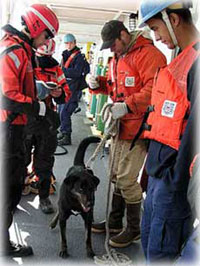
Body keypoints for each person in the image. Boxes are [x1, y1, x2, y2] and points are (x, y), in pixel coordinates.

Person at [88, 20, 166, 248]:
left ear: (123, 35)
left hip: (139, 129)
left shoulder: (149, 55)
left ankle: (133, 229)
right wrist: (97, 84)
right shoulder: (119, 57)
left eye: (113, 45)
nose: (112, 49)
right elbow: (116, 87)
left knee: (125, 178)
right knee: (114, 174)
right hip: (121, 127)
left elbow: (156, 89)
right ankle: (114, 222)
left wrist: (128, 105)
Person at [138, 0, 200, 262]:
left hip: (173, 183)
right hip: (158, 174)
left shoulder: (196, 64)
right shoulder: (180, 60)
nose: (156, 37)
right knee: (150, 243)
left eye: (155, 28)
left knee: (162, 253)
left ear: (173, 20)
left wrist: (177, 182)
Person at [0, 4, 59, 257]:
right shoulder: (14, 50)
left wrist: (37, 87)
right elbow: (7, 97)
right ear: (36, 27)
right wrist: (41, 109)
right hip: (9, 129)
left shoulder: (20, 49)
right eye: (46, 35)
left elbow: (16, 84)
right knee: (9, 189)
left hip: (14, 128)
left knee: (12, 185)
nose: (45, 42)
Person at [24, 39, 71, 214]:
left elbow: (66, 94)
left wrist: (59, 93)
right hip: (26, 117)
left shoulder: (56, 69)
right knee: (19, 158)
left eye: (47, 56)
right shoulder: (26, 63)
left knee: (44, 161)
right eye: (40, 56)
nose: (43, 59)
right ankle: (15, 191)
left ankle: (43, 197)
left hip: (47, 121)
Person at [58, 33, 90, 145]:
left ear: (75, 43)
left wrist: (62, 71)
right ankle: (62, 131)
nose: (69, 45)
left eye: (71, 43)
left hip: (73, 89)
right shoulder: (66, 55)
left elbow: (77, 72)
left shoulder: (79, 57)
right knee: (61, 110)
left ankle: (67, 136)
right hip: (66, 87)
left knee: (65, 111)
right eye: (66, 43)